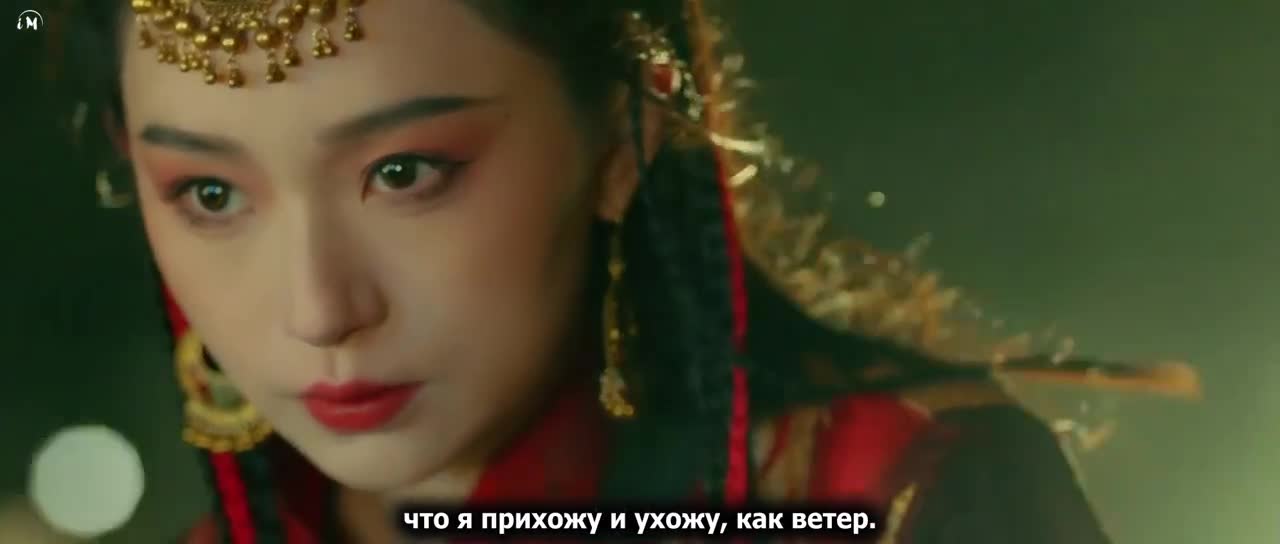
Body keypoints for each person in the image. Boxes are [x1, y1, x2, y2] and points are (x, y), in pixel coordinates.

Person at [45, 0, 1201, 542]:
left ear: (622, 134)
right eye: (210, 195)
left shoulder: (893, 493)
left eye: (403, 172)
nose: (317, 309)